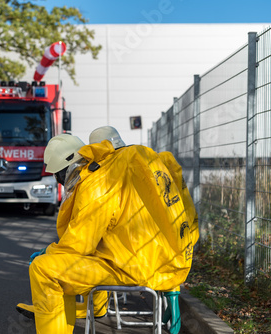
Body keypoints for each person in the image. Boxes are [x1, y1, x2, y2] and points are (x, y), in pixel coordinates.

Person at [17, 130, 198, 334]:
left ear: (67, 168)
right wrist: (173, 288)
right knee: (78, 255)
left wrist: (50, 251)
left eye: (59, 176)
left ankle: (75, 313)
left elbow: (79, 244)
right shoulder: (145, 161)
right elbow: (184, 217)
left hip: (130, 268)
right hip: (164, 261)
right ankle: (92, 308)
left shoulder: (102, 179)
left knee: (45, 269)